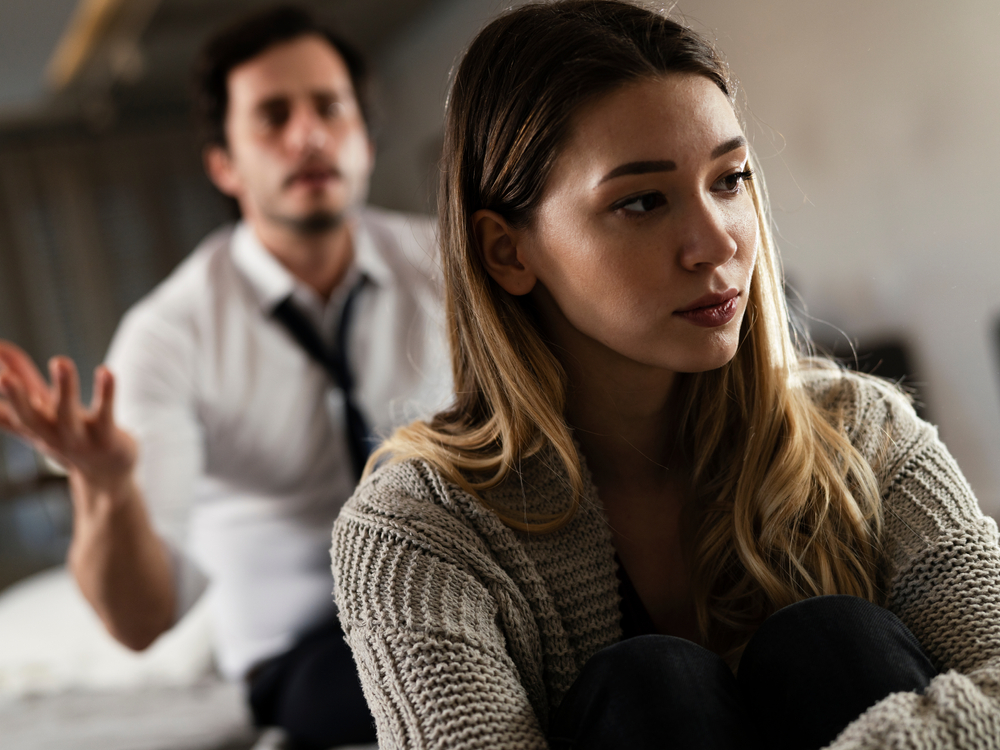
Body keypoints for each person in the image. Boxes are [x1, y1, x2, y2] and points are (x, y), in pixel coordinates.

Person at [329, 2, 1000, 749]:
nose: (716, 243)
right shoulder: (417, 532)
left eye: (730, 179)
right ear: (507, 252)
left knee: (834, 640)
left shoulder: (863, 434)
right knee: (651, 687)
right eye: (641, 201)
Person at [0, 6, 449, 748]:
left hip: (467, 598)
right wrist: (106, 486)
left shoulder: (450, 270)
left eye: (330, 108)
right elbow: (141, 624)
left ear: (365, 138)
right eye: (273, 116)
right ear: (223, 164)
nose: (308, 135)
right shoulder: (167, 336)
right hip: (305, 652)